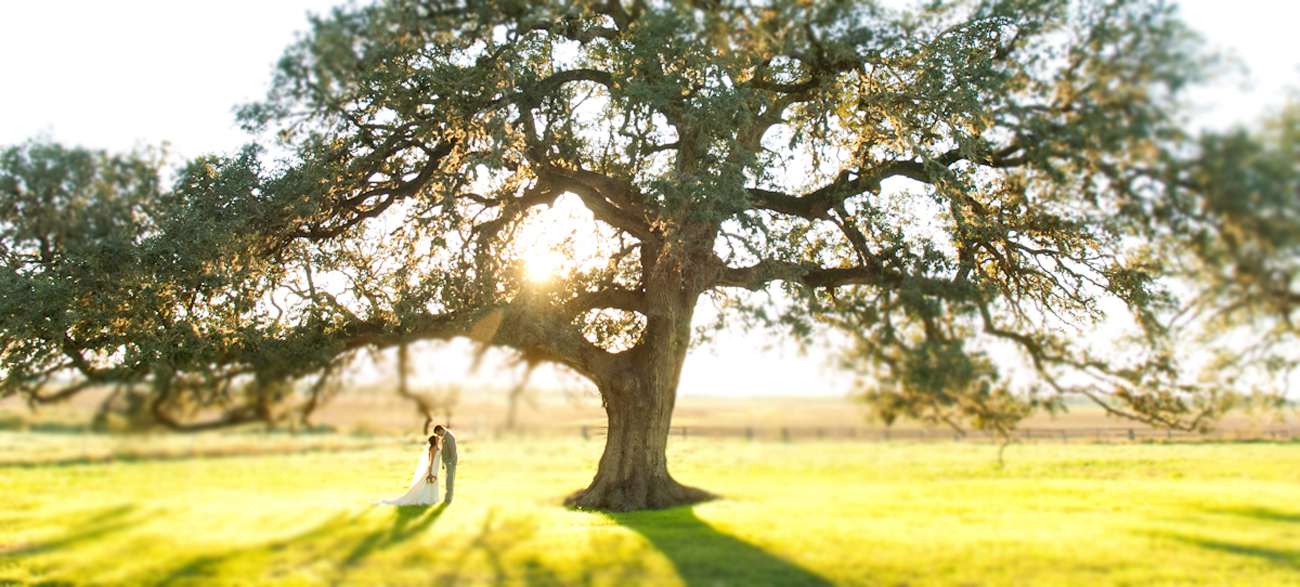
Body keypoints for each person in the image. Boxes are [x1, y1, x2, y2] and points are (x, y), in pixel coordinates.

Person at [374, 435, 441, 506]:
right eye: (437, 439)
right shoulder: (434, 448)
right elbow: (432, 460)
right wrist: (430, 472)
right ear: (434, 441)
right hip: (433, 468)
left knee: (431, 484)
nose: (438, 439)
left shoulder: (436, 448)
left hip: (435, 468)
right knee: (428, 484)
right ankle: (426, 499)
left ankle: (431, 498)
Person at [432, 424, 457, 505]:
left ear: (441, 430)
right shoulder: (445, 437)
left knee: (450, 481)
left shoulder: (449, 437)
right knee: (447, 481)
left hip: (450, 463)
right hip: (447, 462)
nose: (439, 435)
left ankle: (448, 499)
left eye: (438, 433)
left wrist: (450, 462)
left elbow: (453, 450)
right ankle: (447, 498)